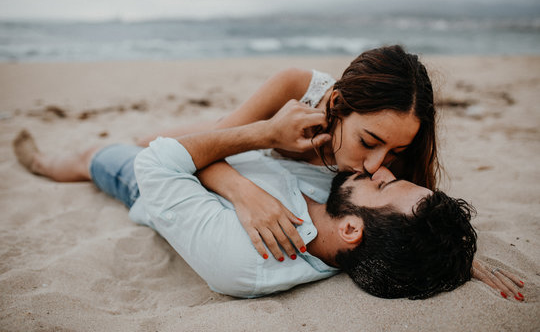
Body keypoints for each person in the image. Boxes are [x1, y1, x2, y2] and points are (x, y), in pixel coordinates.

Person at [134, 45, 524, 300]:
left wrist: (455, 256)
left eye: (396, 151)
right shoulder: (294, 88)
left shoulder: (387, 163)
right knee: (159, 139)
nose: (376, 166)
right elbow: (214, 145)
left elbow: (412, 221)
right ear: (336, 103)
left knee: (164, 140)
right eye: (368, 141)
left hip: (238, 157)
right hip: (234, 143)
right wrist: (243, 192)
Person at [13, 102, 477, 299]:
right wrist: (448, 254)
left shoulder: (246, 261)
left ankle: (42, 164)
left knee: (97, 155)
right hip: (225, 154)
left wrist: (261, 133)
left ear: (354, 230)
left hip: (159, 180)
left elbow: (156, 164)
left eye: (383, 185)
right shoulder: (344, 213)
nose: (381, 170)